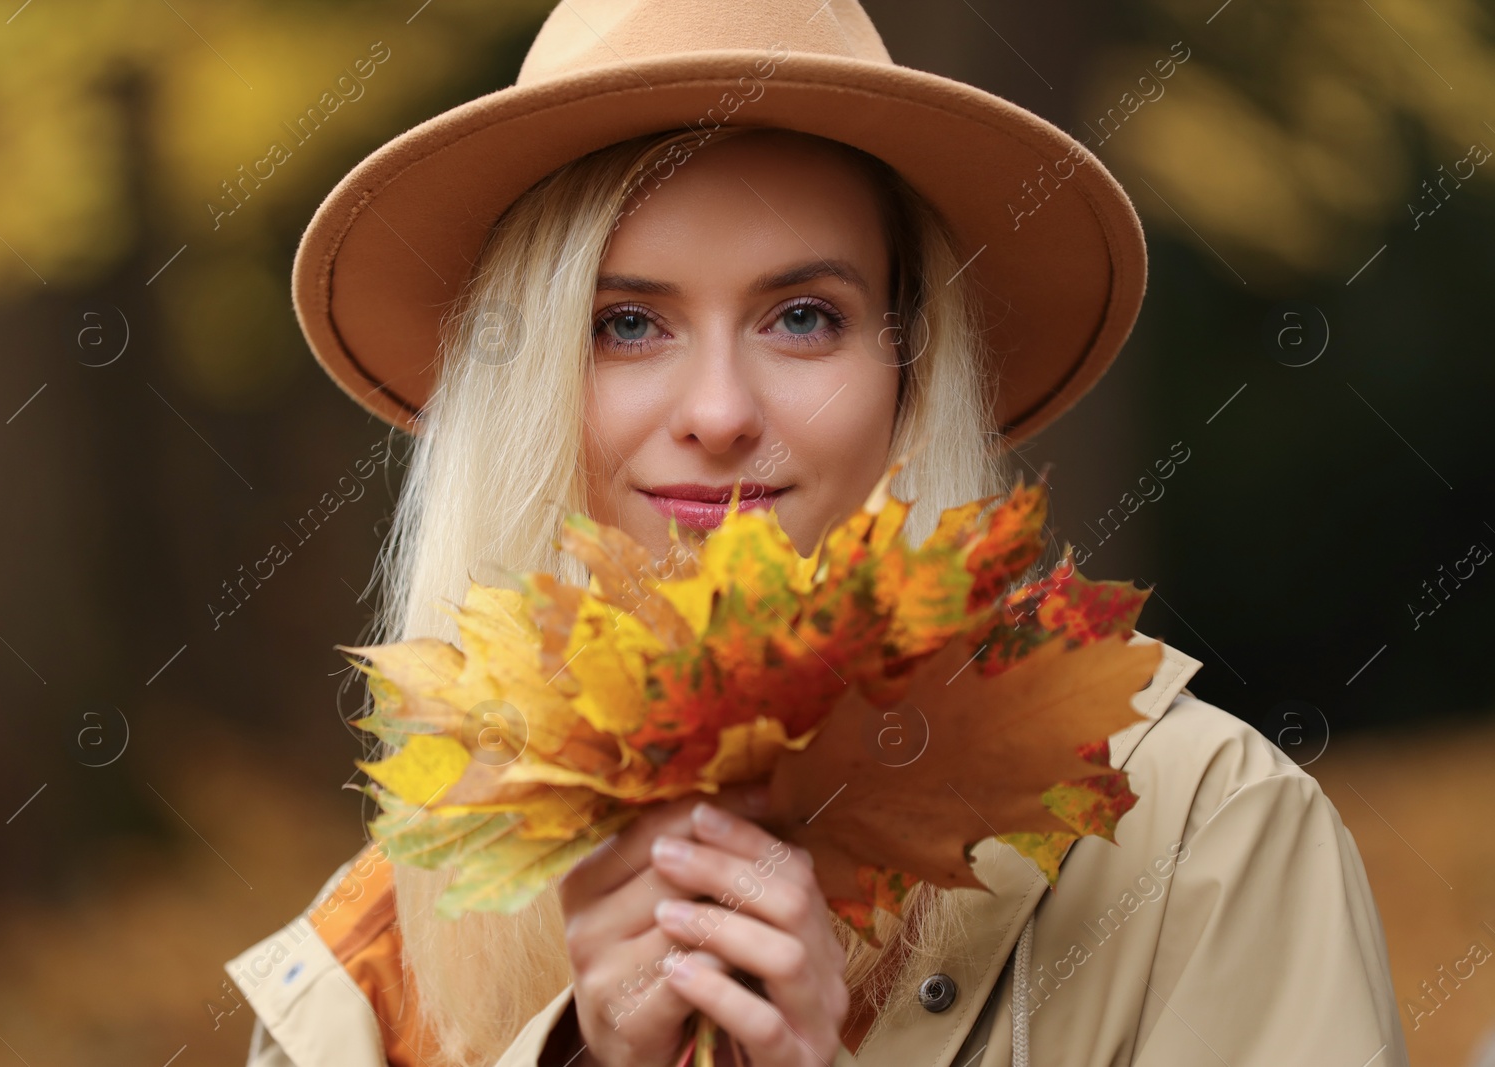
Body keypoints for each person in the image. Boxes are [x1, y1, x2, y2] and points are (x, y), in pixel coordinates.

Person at [223, 2, 1409, 1065]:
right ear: (524, 381)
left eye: (802, 316)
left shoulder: (1199, 836)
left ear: (910, 364)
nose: (721, 413)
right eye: (626, 323)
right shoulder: (368, 986)